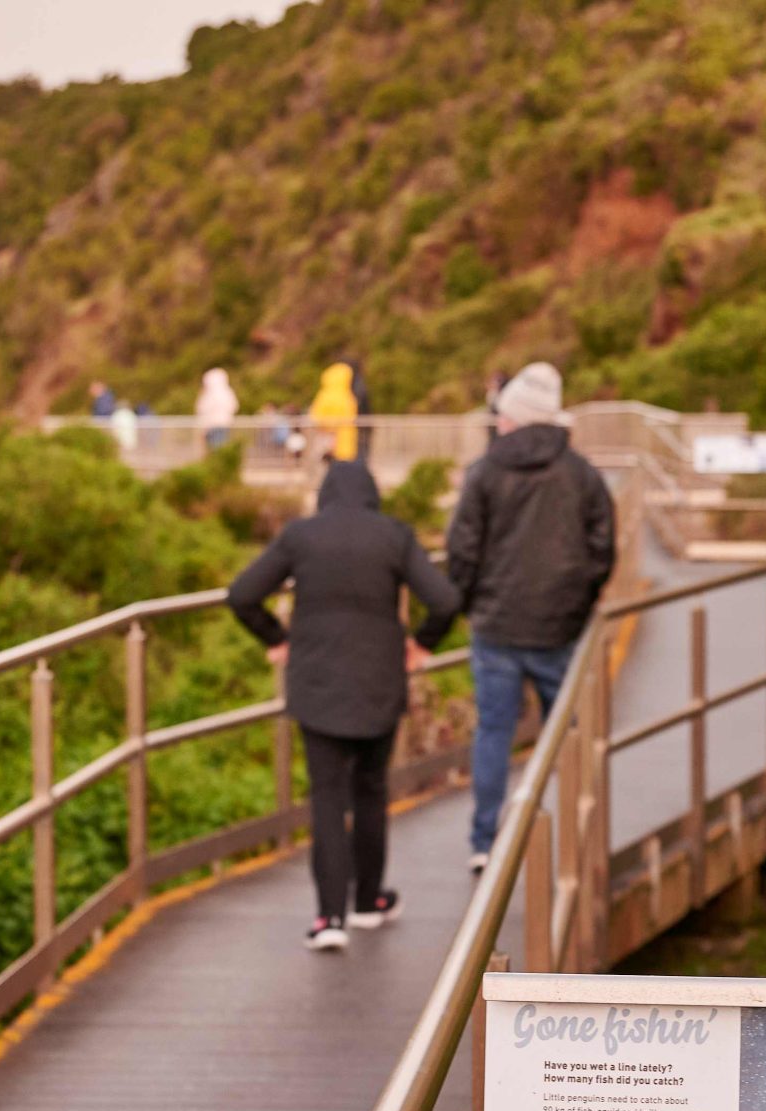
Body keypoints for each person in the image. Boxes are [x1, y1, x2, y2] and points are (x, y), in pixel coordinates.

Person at [230, 460, 460, 951]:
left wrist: (276, 638)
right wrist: (422, 646)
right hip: (379, 682)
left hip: (318, 685)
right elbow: (443, 600)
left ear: (325, 496)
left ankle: (329, 918)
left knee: (328, 799)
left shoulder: (300, 537)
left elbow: (242, 594)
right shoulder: (394, 536)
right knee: (372, 792)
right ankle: (368, 901)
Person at [444, 361, 615, 871]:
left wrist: (471, 604)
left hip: (495, 628)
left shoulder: (485, 473)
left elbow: (462, 552)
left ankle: (483, 840)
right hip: (559, 628)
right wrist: (578, 604)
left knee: (493, 731)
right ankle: (576, 836)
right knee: (568, 732)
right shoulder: (581, 474)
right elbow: (602, 548)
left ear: (514, 417)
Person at [308, 362, 360, 463]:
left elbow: (315, 416)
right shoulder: (348, 396)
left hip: (332, 440)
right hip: (341, 442)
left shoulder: (325, 395)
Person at [196, 367, 239, 451]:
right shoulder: (227, 392)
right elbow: (234, 406)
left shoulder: (210, 394)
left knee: (216, 449)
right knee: (219, 448)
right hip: (222, 425)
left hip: (213, 426)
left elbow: (203, 409)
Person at [348, 355, 374, 465]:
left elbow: (360, 404)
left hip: (360, 426)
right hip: (360, 425)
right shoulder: (357, 383)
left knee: (360, 451)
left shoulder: (356, 384)